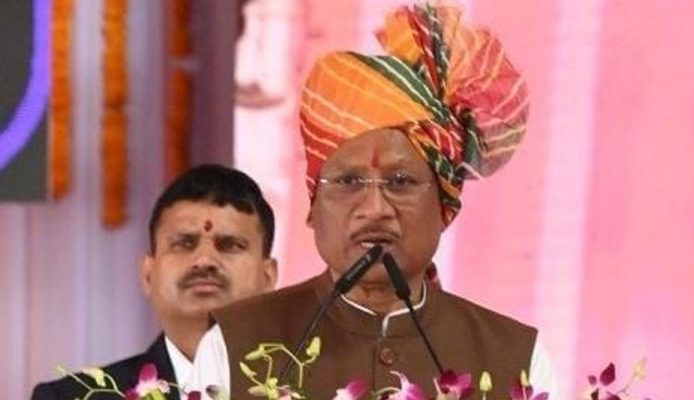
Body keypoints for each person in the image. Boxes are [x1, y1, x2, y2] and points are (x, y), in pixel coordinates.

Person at [193, 4, 557, 399]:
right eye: (348, 181)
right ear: (314, 207)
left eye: (400, 182)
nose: (375, 208)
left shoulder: (517, 360)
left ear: (445, 208)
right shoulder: (232, 346)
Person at [31, 164, 278, 399]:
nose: (204, 260)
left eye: (230, 245)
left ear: (268, 277)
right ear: (148, 274)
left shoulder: (298, 389)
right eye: (184, 243)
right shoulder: (68, 397)